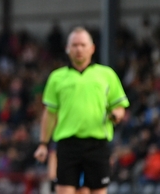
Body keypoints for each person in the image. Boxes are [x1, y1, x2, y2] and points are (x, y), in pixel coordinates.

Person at [33, 27, 129, 194]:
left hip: (97, 144)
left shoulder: (106, 74)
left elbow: (119, 106)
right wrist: (43, 144)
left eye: (83, 45)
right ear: (67, 48)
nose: (79, 49)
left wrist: (117, 115)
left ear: (92, 48)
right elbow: (50, 114)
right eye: (75, 45)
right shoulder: (57, 77)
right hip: (67, 144)